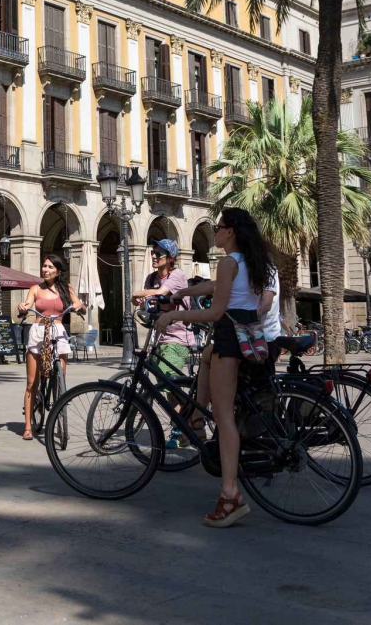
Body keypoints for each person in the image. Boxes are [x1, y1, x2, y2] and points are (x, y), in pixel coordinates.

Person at [155, 206, 276, 527]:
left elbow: (216, 310)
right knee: (206, 357)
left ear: (231, 232)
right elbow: (216, 289)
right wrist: (184, 291)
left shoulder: (227, 262)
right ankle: (196, 418)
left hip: (230, 336)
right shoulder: (248, 261)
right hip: (250, 333)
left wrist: (173, 315)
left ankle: (229, 494)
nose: (215, 231)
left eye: (219, 227)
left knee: (224, 420)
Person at [18, 253, 83, 440]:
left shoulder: (66, 289)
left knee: (61, 380)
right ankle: (28, 426)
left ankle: (61, 422)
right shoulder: (35, 289)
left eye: (50, 267)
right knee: (32, 382)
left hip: (59, 332)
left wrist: (79, 305)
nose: (45, 270)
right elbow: (26, 304)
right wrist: (22, 306)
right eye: (44, 266)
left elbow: (79, 304)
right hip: (38, 332)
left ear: (58, 271)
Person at [132, 239, 193, 381]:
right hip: (158, 339)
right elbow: (146, 304)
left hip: (177, 339)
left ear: (170, 258)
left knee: (168, 385)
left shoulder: (177, 275)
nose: (153, 256)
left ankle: (183, 403)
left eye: (158, 253)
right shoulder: (151, 278)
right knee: (162, 385)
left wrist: (137, 294)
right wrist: (142, 302)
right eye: (153, 252)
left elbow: (160, 293)